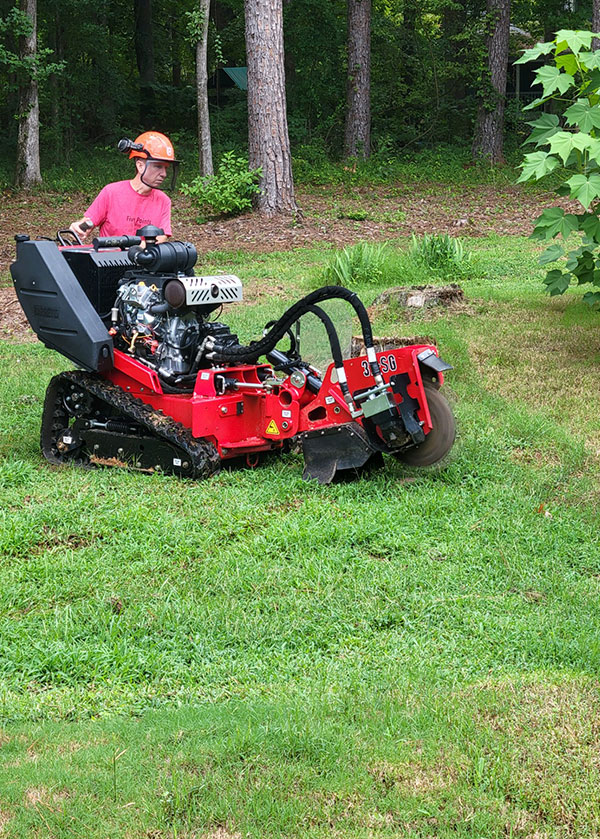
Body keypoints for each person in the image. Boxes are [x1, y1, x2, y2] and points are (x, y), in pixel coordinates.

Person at [70, 131, 178, 244]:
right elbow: (89, 222)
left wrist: (137, 249)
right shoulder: (111, 193)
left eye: (166, 168)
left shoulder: (163, 201)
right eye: (158, 166)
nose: (164, 174)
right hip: (108, 259)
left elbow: (162, 236)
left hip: (144, 260)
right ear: (140, 166)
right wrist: (78, 228)